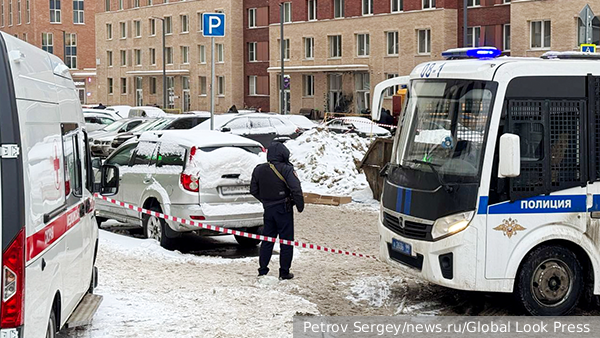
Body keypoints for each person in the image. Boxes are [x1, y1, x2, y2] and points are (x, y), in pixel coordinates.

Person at [250, 142, 304, 280]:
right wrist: (299, 205)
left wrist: (266, 201)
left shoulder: (259, 169)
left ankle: (263, 270)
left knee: (267, 240)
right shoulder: (286, 169)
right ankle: (284, 272)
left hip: (268, 209)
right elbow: (296, 188)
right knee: (286, 241)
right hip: (283, 209)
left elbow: (253, 190)